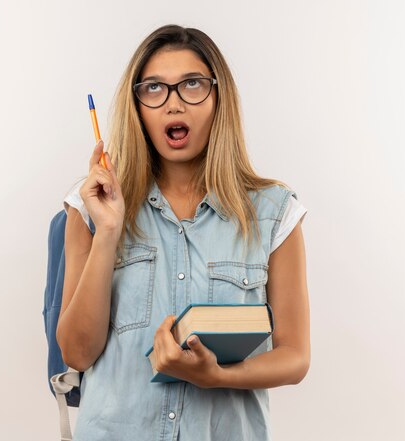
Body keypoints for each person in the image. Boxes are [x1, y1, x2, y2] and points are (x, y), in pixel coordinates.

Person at [56, 24, 310, 440]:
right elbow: (77, 353)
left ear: (218, 97)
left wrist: (217, 376)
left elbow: (295, 357)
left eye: (192, 84)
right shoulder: (91, 206)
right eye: (154, 88)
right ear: (137, 105)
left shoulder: (274, 213)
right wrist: (107, 232)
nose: (174, 104)